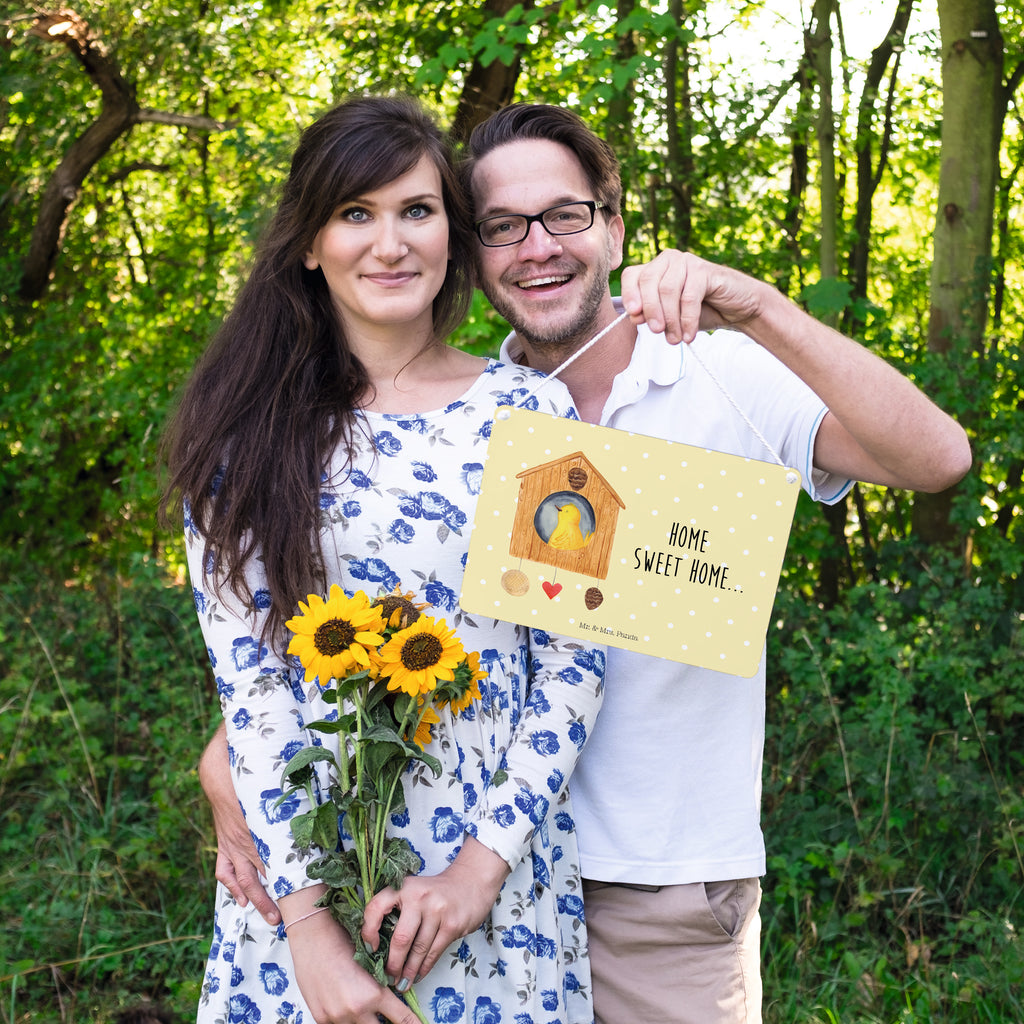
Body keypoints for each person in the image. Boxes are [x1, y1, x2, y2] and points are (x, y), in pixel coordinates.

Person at [202, 102, 972, 1024]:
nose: (537, 247)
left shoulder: (701, 376)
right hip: (420, 871)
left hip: (650, 887)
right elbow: (330, 628)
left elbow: (938, 460)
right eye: (503, 226)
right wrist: (233, 757)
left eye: (564, 215)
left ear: (614, 227)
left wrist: (758, 306)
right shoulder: (468, 414)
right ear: (474, 248)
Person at [163, 96, 609, 1024]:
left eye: (417, 210)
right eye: (355, 213)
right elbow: (252, 689)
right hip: (303, 878)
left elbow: (575, 662)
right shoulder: (242, 438)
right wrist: (310, 934)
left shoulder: (539, 414)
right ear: (309, 243)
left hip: (492, 882)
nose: (391, 243)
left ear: (453, 231)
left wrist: (477, 874)